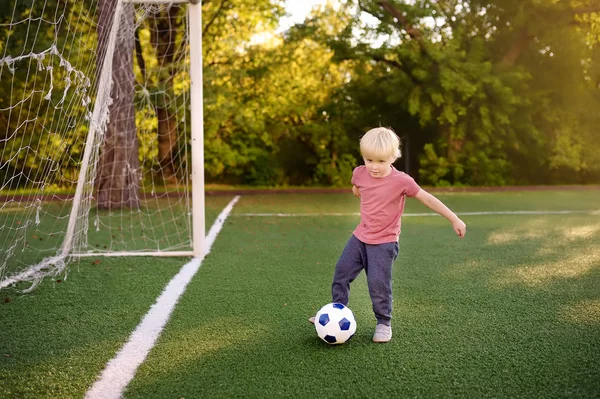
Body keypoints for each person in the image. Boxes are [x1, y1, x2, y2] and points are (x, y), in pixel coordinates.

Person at [310, 127, 467, 343]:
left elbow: (427, 198)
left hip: (384, 243)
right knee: (341, 272)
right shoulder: (360, 172)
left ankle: (384, 322)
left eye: (381, 161)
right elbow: (357, 184)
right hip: (360, 237)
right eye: (369, 159)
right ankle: (336, 313)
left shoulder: (402, 181)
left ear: (393, 157)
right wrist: (356, 189)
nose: (374, 167)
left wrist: (454, 218)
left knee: (378, 284)